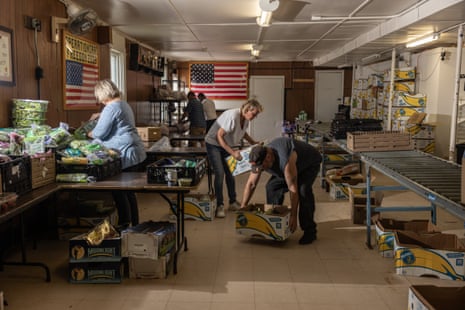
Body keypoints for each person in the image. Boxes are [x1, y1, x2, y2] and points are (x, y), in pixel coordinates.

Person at [240, 137, 322, 244]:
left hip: (308, 164)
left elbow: (293, 190)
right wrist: (243, 207)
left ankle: (310, 231)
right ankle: (275, 225)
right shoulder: (260, 159)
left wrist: (293, 216)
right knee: (272, 187)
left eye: (262, 166)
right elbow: (251, 184)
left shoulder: (285, 160)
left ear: (268, 157)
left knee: (303, 191)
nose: (261, 169)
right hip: (288, 168)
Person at [88, 79, 147, 227]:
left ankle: (124, 224)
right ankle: (133, 224)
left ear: (102, 93)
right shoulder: (123, 104)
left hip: (126, 152)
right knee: (128, 192)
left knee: (119, 192)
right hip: (134, 150)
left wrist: (90, 133)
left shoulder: (111, 107)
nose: (99, 100)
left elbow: (100, 133)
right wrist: (101, 116)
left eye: (98, 96)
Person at [205, 99, 263, 218]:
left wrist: (253, 142)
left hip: (227, 144)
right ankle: (220, 205)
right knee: (220, 174)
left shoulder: (246, 118)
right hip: (214, 144)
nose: (255, 116)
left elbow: (243, 133)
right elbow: (219, 136)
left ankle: (232, 202)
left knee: (230, 173)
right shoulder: (233, 116)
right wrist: (233, 153)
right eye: (254, 114)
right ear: (247, 110)